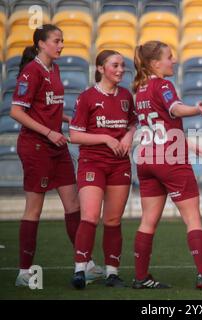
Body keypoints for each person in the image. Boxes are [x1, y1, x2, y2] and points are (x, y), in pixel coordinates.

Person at [10, 24, 103, 287]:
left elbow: (47, 108)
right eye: (56, 41)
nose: (61, 45)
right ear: (41, 43)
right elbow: (16, 112)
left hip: (56, 146)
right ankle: (24, 272)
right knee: (34, 209)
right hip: (36, 146)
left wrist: (68, 119)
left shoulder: (54, 68)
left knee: (74, 205)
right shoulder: (32, 71)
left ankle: (86, 264)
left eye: (62, 41)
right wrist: (49, 133)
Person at [132, 40, 202, 290]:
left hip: (146, 159)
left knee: (148, 220)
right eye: (169, 57)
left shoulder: (140, 89)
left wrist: (196, 147)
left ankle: (140, 277)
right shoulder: (163, 85)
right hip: (169, 161)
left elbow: (162, 129)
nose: (174, 60)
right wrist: (194, 109)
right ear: (154, 63)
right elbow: (175, 109)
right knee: (192, 218)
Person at [69, 50, 137, 289]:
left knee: (113, 219)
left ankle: (112, 273)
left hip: (119, 164)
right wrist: (106, 139)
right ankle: (80, 269)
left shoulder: (127, 96)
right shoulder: (87, 97)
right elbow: (75, 135)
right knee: (89, 216)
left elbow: (133, 121)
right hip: (93, 163)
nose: (120, 70)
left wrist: (129, 135)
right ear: (100, 68)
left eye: (122, 66)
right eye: (115, 65)